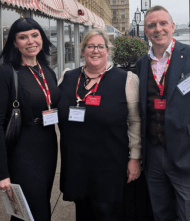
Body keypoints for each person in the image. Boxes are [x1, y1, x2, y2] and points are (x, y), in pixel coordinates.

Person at [135, 5, 190, 221]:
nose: (158, 29)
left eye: (163, 23)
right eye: (152, 25)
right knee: (161, 215)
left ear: (173, 26)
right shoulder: (141, 64)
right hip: (154, 156)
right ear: (146, 31)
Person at [57, 29, 141, 221]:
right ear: (83, 50)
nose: (96, 51)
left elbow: (135, 121)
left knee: (105, 212)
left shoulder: (126, 80)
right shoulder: (67, 77)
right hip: (76, 162)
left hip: (109, 163)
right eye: (90, 46)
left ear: (108, 50)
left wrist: (135, 158)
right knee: (82, 210)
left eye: (100, 46)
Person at [0, 17, 60, 221]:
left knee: (36, 207)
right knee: (29, 211)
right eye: (23, 37)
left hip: (48, 148)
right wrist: (1, 172)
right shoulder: (6, 73)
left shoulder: (47, 71)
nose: (30, 41)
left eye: (35, 35)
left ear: (42, 38)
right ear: (14, 43)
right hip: (22, 152)